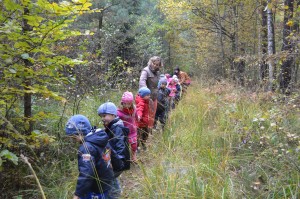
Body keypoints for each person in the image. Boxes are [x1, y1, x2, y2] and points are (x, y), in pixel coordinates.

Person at [65, 114, 114, 199]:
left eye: (74, 136)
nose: (74, 139)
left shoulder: (86, 148)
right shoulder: (101, 137)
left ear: (80, 133)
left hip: (95, 188)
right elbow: (113, 154)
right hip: (107, 182)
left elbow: (86, 173)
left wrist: (78, 194)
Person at [97, 102, 130, 199]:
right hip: (114, 160)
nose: (103, 118)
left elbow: (120, 144)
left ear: (113, 115)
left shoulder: (116, 128)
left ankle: (114, 195)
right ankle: (116, 193)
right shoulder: (112, 126)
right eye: (101, 116)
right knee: (111, 178)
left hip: (118, 161)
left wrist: (119, 160)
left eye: (104, 116)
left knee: (108, 177)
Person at [139, 56, 163, 130]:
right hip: (145, 97)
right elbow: (142, 81)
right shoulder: (145, 71)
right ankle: (143, 132)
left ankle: (149, 131)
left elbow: (157, 84)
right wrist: (146, 93)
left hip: (154, 96)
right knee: (146, 115)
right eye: (154, 63)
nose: (155, 65)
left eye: (157, 64)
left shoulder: (157, 72)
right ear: (151, 62)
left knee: (152, 114)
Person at [117, 91, 138, 162]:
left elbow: (136, 115)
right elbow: (116, 120)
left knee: (134, 145)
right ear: (122, 103)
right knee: (125, 146)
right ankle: (126, 158)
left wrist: (138, 118)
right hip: (124, 132)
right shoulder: (119, 112)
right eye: (125, 103)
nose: (127, 105)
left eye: (129, 104)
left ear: (131, 103)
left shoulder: (134, 108)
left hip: (133, 130)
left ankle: (134, 155)